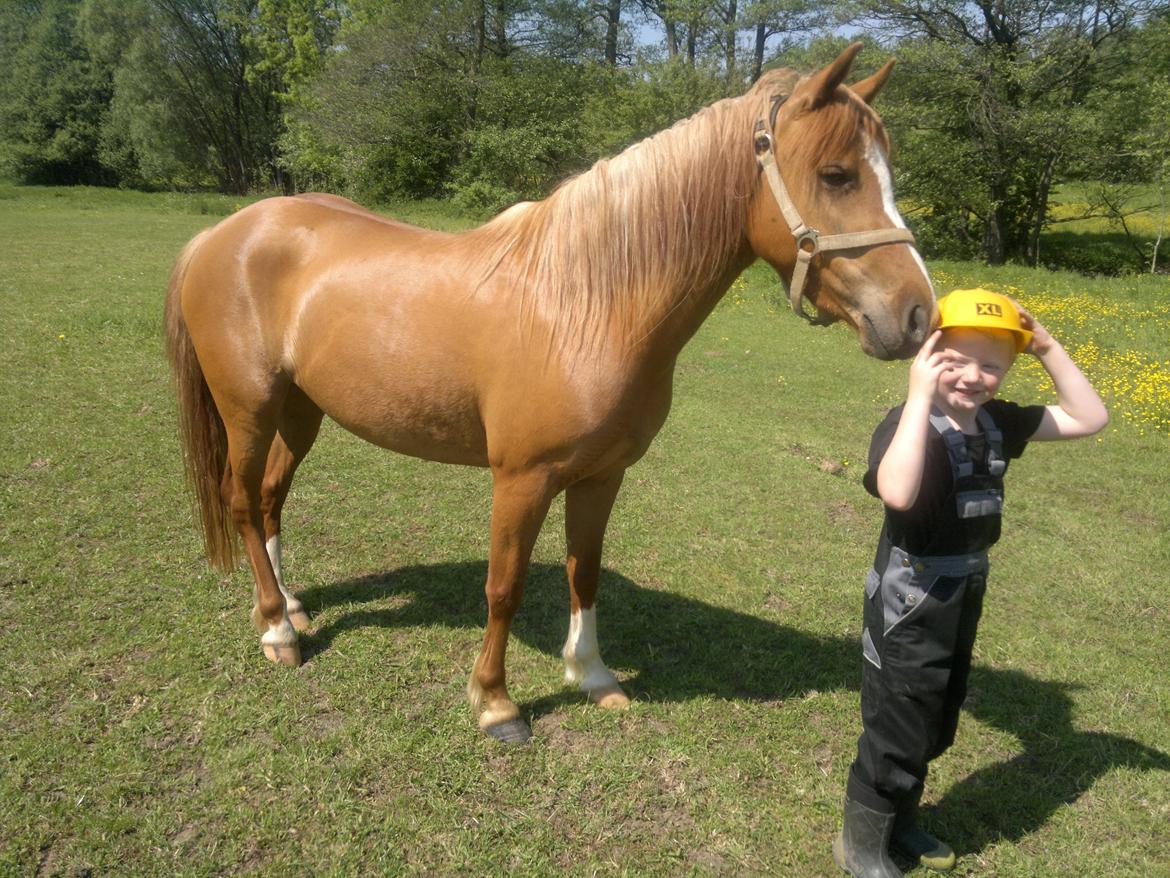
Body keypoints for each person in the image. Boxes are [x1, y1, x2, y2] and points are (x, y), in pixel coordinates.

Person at [833, 288, 1109, 878]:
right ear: (927, 355)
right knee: (898, 718)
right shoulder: (910, 425)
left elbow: (1090, 417)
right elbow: (899, 492)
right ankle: (860, 846)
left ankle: (900, 822)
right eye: (953, 359)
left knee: (936, 712)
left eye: (992, 364)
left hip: (964, 589)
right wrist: (916, 397)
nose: (972, 377)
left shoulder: (996, 422)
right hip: (909, 596)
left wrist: (1049, 348)